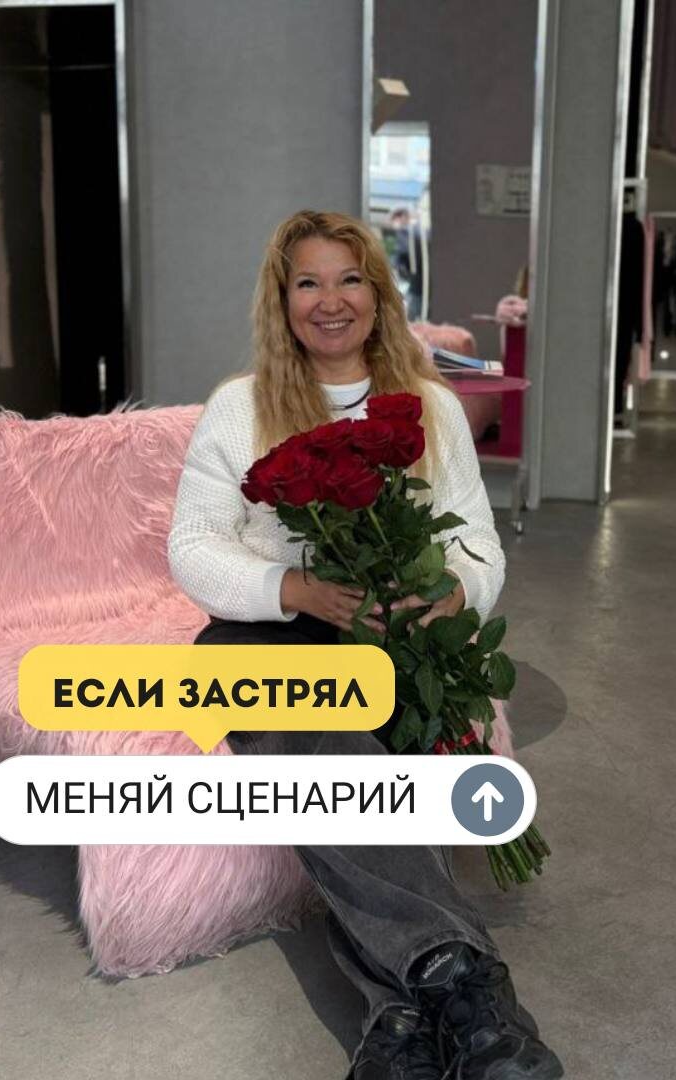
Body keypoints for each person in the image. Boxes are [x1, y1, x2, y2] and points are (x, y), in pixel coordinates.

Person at [167, 209, 562, 1080]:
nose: (331, 300)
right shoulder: (240, 406)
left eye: (349, 279)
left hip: (398, 630)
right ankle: (467, 986)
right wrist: (295, 589)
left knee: (372, 736)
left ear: (379, 296)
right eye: (308, 282)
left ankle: (403, 1017)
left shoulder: (431, 407)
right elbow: (193, 545)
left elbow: (477, 544)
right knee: (267, 691)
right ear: (282, 301)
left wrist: (452, 591)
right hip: (274, 629)